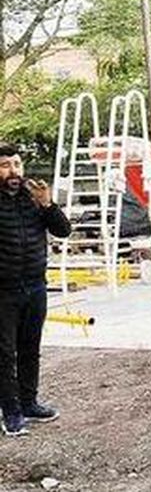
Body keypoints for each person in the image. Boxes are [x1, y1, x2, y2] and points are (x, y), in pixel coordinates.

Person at [0, 144, 70, 437]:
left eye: (17, 164)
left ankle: (29, 403)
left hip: (36, 286)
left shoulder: (34, 198)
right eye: (5, 165)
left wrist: (49, 205)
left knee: (30, 349)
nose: (13, 170)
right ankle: (11, 413)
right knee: (4, 354)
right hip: (3, 292)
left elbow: (63, 231)